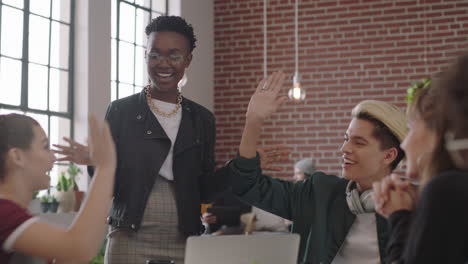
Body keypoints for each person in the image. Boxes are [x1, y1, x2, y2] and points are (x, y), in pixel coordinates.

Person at [53, 16, 283, 263]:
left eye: (174, 56)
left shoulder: (202, 119)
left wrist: (242, 166)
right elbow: (110, 184)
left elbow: (204, 189)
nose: (163, 63)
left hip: (183, 239)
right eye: (155, 55)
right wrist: (96, 162)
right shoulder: (121, 111)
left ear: (188, 59)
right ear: (145, 56)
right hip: (128, 237)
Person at [229, 71, 408, 264]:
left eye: (359, 142)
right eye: (346, 139)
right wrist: (253, 121)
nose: (344, 148)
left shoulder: (412, 207)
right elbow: (244, 184)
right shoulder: (318, 192)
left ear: (389, 155)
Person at [373, 53, 468, 263]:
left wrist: (400, 217)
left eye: (411, 128)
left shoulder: (447, 188)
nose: (404, 143)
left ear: (438, 131)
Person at [0, 114, 116, 263]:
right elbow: (79, 248)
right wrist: (105, 166)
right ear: (17, 157)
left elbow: (72, 252)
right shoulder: (4, 212)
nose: (54, 158)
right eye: (45, 147)